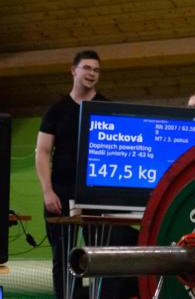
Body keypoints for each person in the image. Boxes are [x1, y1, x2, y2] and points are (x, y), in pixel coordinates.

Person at [35, 50, 137, 299]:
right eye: (87, 68)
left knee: (101, 256)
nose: (92, 73)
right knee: (62, 258)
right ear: (74, 70)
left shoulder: (106, 108)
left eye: (96, 70)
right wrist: (47, 191)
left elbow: (119, 153)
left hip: (97, 197)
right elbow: (43, 152)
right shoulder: (57, 110)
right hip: (61, 194)